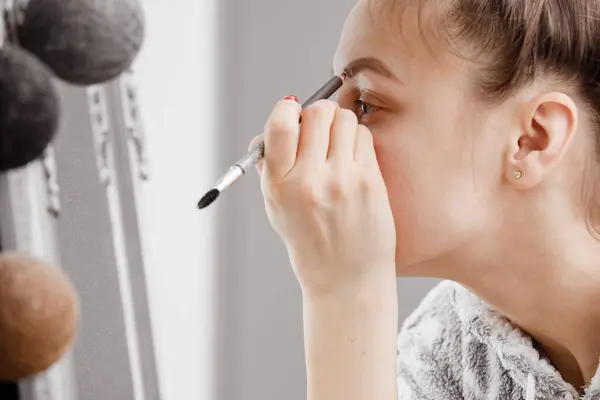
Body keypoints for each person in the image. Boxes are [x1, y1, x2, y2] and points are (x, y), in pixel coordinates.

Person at [248, 0, 600, 399]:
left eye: (365, 105)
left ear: (531, 139)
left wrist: (348, 296)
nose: (319, 126)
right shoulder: (449, 350)